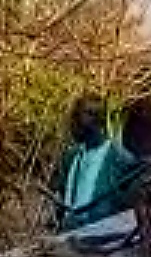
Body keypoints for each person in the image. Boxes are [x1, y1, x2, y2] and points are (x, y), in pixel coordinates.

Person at [51, 94, 136, 232]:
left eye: (79, 117)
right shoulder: (72, 156)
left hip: (102, 240)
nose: (74, 124)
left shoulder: (116, 156)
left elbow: (131, 201)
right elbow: (61, 197)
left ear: (97, 119)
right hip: (70, 238)